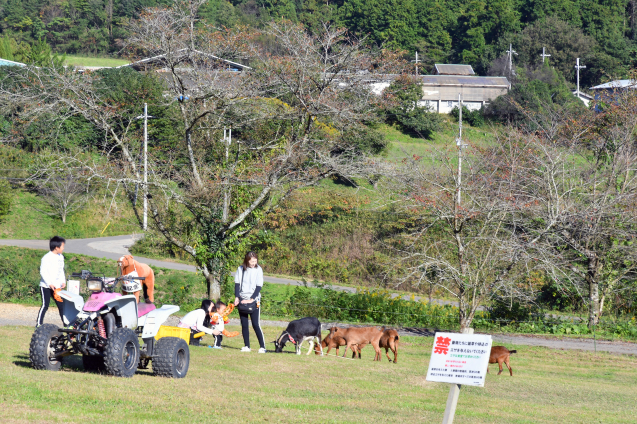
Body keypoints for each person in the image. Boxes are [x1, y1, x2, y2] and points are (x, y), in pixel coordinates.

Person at [234, 251, 266, 353]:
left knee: (255, 324)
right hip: (243, 299)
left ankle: (262, 347)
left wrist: (252, 299)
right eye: (252, 261)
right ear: (247, 260)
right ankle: (247, 346)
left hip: (254, 300)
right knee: (244, 324)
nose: (254, 263)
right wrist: (237, 297)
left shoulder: (258, 269)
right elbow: (237, 284)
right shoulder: (241, 269)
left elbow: (259, 286)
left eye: (255, 261)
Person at [37, 236, 66, 327]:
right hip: (46, 286)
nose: (63, 248)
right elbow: (43, 272)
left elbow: (61, 270)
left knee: (62, 306)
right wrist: (49, 283)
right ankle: (38, 324)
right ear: (57, 247)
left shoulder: (61, 257)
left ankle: (66, 324)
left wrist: (63, 281)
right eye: (62, 246)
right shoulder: (46, 257)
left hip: (57, 287)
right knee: (45, 305)